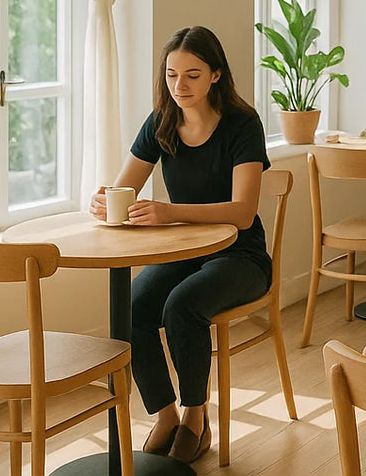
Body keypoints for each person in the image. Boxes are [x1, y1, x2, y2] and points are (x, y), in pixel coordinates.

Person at [89, 25, 270, 464]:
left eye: (192, 74)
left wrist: (170, 212)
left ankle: (195, 416)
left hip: (241, 255)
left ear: (216, 76)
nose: (179, 86)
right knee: (131, 309)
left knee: (181, 307)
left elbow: (242, 212)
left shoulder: (243, 125)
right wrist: (105, 201)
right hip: (185, 252)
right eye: (171, 75)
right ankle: (165, 415)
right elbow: (124, 188)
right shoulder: (161, 123)